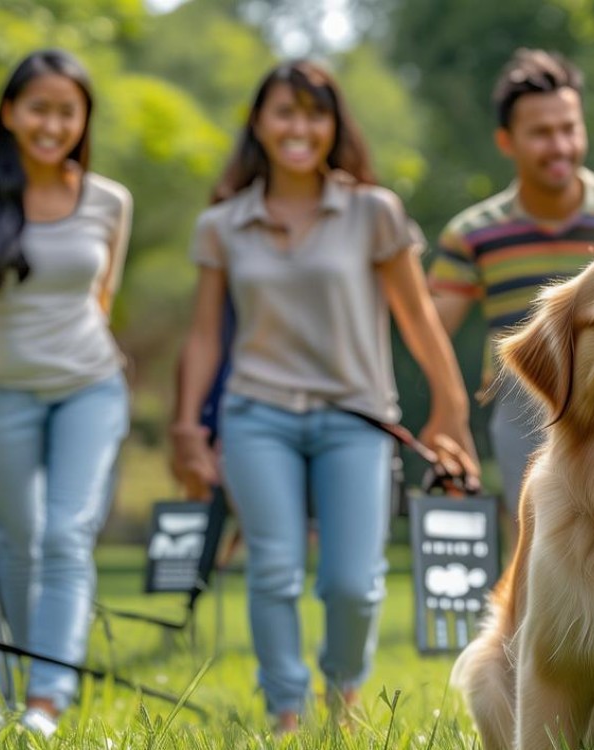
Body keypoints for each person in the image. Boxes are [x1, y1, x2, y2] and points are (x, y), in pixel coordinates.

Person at [168, 60, 479, 731]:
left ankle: (342, 698)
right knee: (273, 571)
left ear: (335, 125)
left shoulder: (373, 212)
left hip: (356, 419)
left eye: (315, 113)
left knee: (352, 584)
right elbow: (203, 339)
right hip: (258, 416)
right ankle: (284, 708)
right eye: (285, 112)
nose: (299, 127)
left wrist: (450, 411)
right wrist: (188, 429)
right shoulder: (224, 224)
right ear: (259, 123)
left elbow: (419, 320)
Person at [0, 49, 132, 738]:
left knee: (67, 535)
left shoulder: (109, 201)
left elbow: (103, 298)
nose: (52, 123)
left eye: (67, 111)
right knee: (19, 541)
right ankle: (11, 680)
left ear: (83, 120)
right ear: (10, 113)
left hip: (90, 388)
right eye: (38, 107)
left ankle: (45, 700)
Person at [427, 48, 594, 525]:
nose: (559, 146)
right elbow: (429, 331)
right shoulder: (473, 233)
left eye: (569, 128)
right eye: (541, 133)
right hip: (526, 403)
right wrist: (448, 417)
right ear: (506, 141)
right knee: (538, 542)